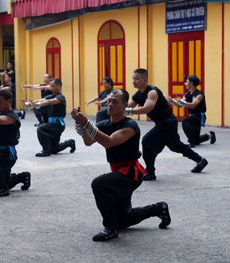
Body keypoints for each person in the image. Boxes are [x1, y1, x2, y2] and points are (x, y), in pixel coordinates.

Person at [71, 89, 171, 242]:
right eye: (108, 101)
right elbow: (88, 141)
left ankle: (110, 229)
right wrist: (80, 124)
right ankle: (158, 208)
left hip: (130, 174)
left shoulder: (130, 126)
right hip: (119, 172)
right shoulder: (105, 123)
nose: (109, 104)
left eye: (114, 102)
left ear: (125, 105)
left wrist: (86, 123)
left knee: (99, 184)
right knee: (124, 220)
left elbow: (108, 142)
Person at [126, 69, 208, 180]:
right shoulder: (137, 94)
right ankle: (201, 161)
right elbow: (128, 106)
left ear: (145, 80)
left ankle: (150, 172)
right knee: (176, 146)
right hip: (162, 123)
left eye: (137, 79)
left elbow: (146, 108)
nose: (134, 81)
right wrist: (117, 106)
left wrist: (127, 111)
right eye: (133, 79)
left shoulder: (152, 92)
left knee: (147, 141)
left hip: (168, 122)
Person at [24, 78, 75, 157]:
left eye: (53, 86)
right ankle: (70, 142)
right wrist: (28, 104)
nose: (51, 88)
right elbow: (42, 100)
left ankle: (46, 150)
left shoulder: (61, 97)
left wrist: (37, 104)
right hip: (52, 124)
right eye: (51, 86)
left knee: (41, 129)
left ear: (59, 85)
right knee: (54, 149)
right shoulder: (51, 96)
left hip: (58, 125)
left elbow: (49, 101)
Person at [167, 75, 216, 147]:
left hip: (199, 117)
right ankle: (209, 135)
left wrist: (181, 102)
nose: (185, 83)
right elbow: (179, 105)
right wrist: (172, 101)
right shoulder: (186, 95)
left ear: (191, 83)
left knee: (185, 121)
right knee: (196, 139)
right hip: (193, 117)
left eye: (187, 81)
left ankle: (191, 142)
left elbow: (193, 105)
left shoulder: (199, 94)